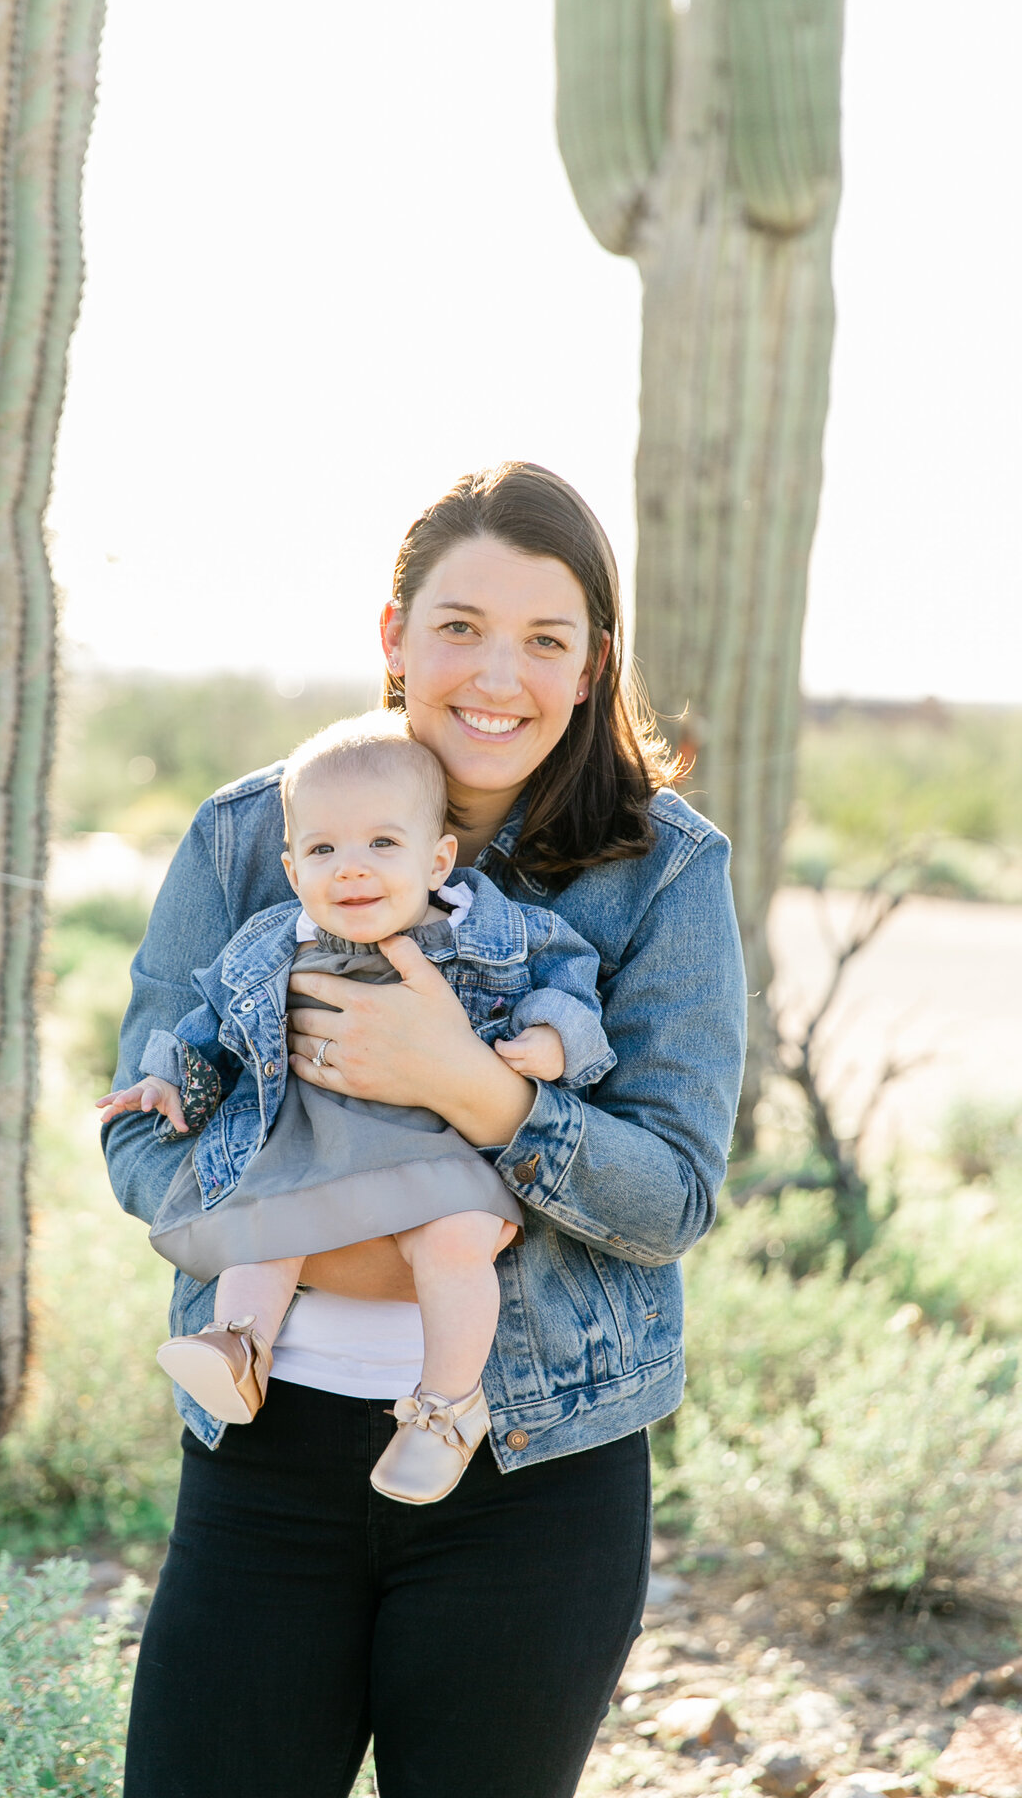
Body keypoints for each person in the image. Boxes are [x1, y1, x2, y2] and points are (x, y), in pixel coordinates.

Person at [104, 462, 747, 1798]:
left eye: (545, 639)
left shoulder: (664, 871)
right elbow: (140, 1142)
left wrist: (476, 1092)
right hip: (266, 1451)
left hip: (533, 1478)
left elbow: (673, 1195)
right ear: (393, 637)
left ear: (591, 667)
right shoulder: (246, 836)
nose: (495, 674)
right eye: (459, 626)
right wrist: (307, 1201)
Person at [97, 714, 615, 1504]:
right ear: (293, 868)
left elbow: (566, 973)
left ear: (438, 857)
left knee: (453, 1246)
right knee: (262, 1224)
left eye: (382, 845)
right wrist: (171, 1078)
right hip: (313, 1145)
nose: (353, 870)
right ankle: (239, 1347)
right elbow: (212, 1020)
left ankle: (446, 1404)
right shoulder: (274, 943)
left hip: (444, 1149)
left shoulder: (489, 932)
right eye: (323, 850)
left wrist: (553, 1038)